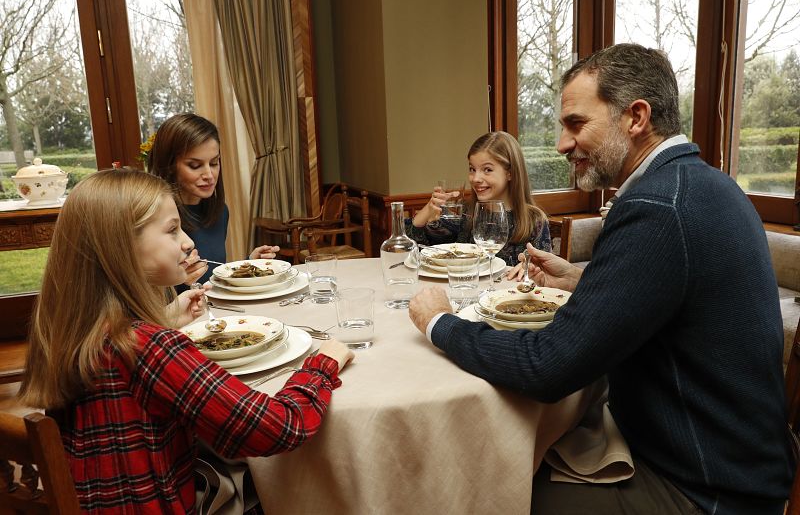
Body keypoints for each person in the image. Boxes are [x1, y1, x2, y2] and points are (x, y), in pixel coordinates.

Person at [408, 44, 792, 514]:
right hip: (732, 460)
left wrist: (439, 323)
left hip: (708, 488)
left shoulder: (655, 207)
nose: (562, 144)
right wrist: (583, 280)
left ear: (635, 118)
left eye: (575, 123)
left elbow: (547, 368)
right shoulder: (703, 183)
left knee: (493, 490)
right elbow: (673, 293)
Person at [17, 169, 354, 513]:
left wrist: (164, 320)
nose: (189, 242)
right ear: (120, 246)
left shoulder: (72, 330)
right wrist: (322, 364)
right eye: (172, 229)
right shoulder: (149, 348)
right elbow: (277, 427)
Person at [147, 113, 280, 288]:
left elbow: (211, 277)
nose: (209, 175)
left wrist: (248, 265)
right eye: (195, 166)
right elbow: (139, 301)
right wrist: (177, 281)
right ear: (169, 165)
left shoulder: (220, 212)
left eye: (214, 163)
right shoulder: (152, 218)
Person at [405, 131, 551, 274]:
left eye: (487, 170)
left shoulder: (534, 220)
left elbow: (544, 274)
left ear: (510, 173)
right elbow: (416, 248)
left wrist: (531, 269)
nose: (475, 178)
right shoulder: (467, 212)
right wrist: (429, 208)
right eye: (472, 169)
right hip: (467, 293)